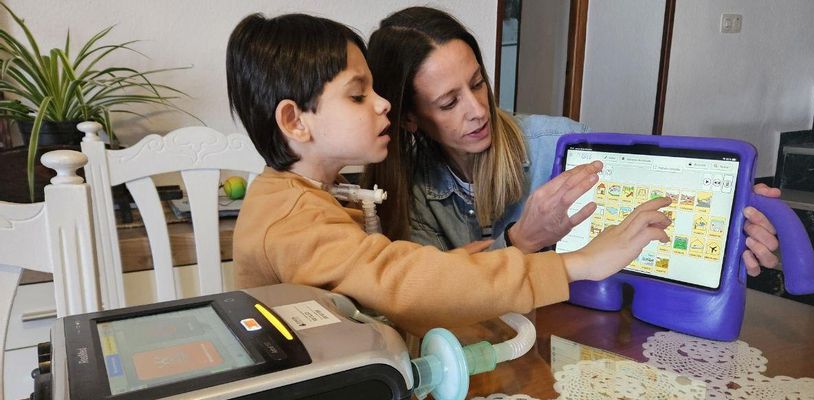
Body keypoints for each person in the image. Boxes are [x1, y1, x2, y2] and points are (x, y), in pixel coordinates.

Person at [226, 12, 671, 335]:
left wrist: (740, 208)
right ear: (294, 122)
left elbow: (399, 284)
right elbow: (406, 285)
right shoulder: (293, 217)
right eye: (360, 95)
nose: (381, 104)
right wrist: (576, 263)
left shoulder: (317, 197)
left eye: (478, 83)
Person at [362, 6, 781, 276]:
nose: (477, 110)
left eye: (477, 84)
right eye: (449, 102)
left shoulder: (559, 143)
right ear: (411, 119)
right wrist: (520, 243)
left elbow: (650, 218)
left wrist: (727, 218)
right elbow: (437, 295)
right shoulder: (407, 191)